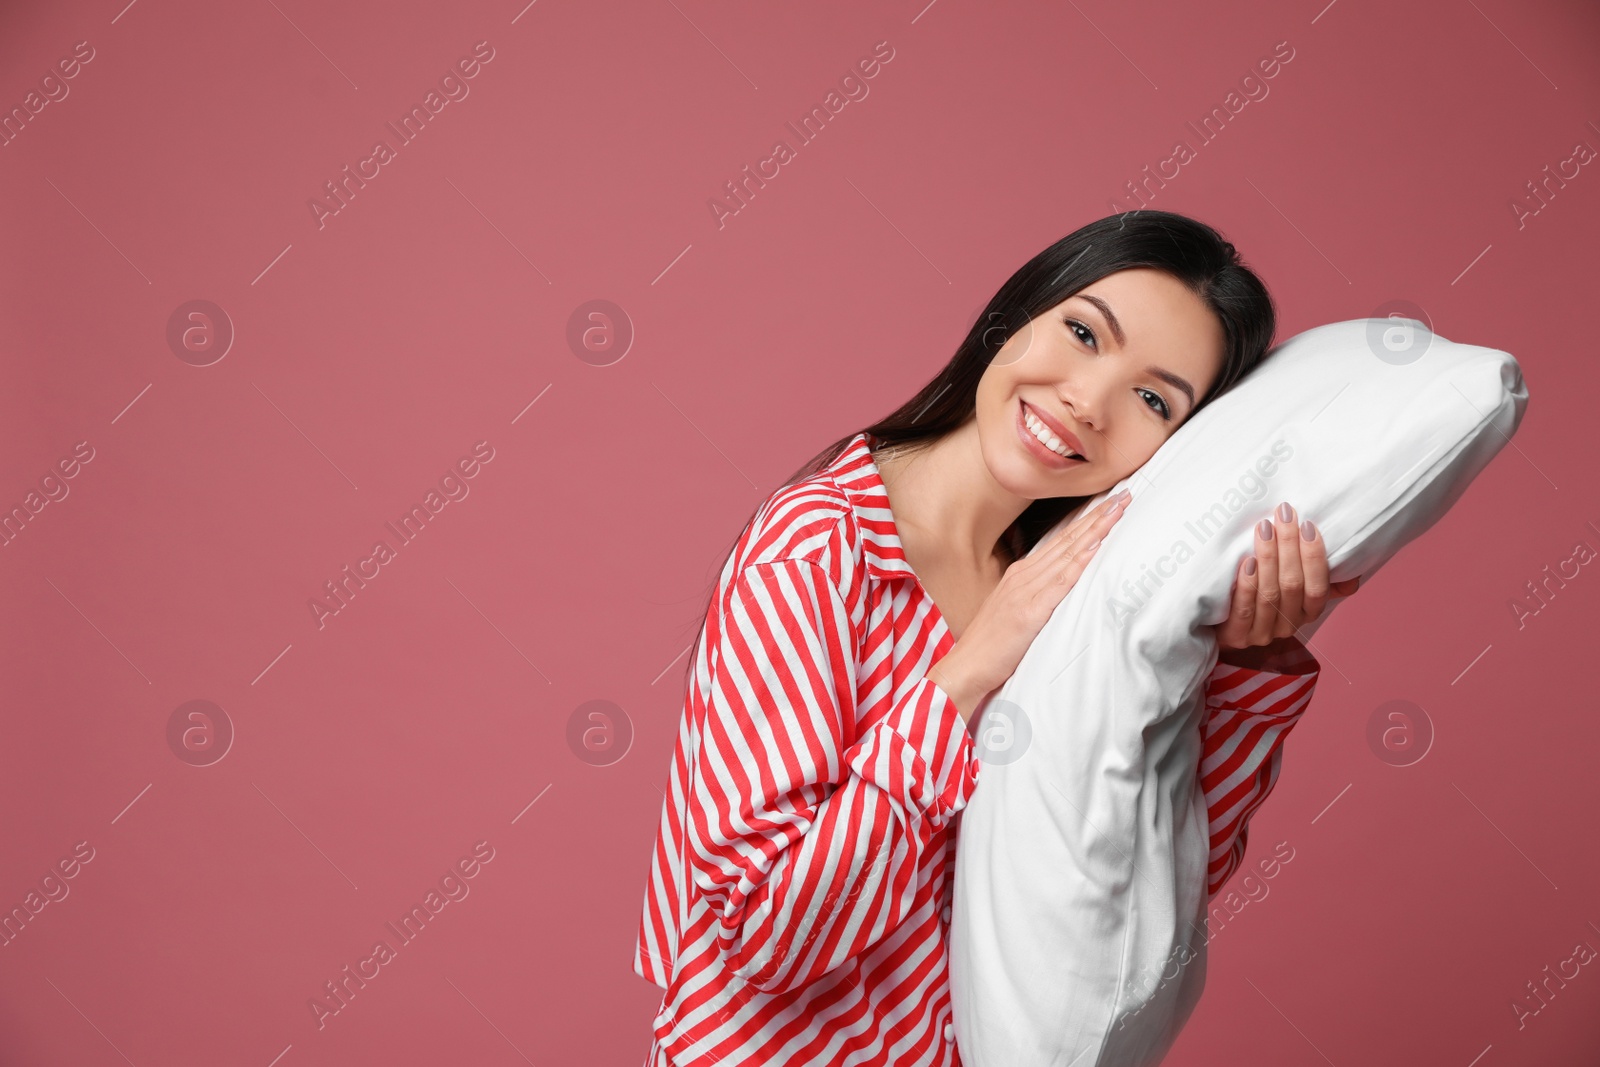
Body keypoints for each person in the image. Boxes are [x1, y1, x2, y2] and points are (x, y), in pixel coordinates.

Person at [633, 210, 1361, 1067]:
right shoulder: (820, 548)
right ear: (1011, 317)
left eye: (1153, 398)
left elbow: (1141, 883)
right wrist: (971, 667)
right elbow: (764, 937)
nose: (1087, 403)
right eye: (1084, 333)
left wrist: (1249, 663)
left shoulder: (1070, 587)